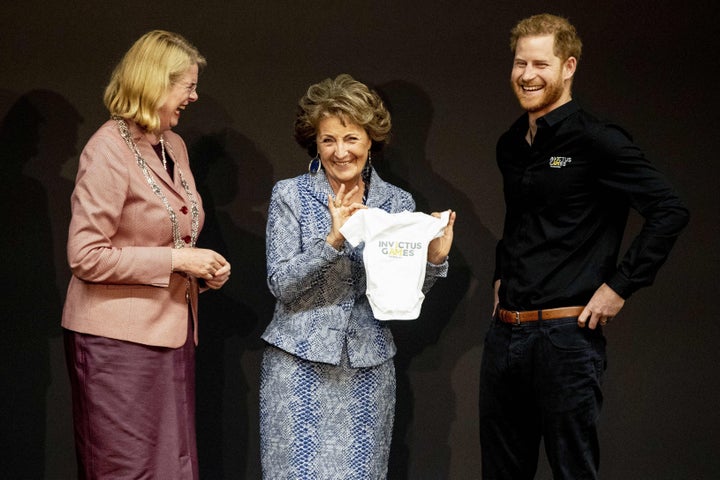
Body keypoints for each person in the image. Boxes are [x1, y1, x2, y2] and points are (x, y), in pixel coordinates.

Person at [480, 13, 689, 480]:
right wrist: (501, 276)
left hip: (566, 339)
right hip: (505, 336)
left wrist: (620, 286)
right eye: (519, 64)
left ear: (568, 66)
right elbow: (520, 223)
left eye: (540, 64)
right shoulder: (511, 143)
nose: (527, 75)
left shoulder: (597, 140)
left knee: (572, 472)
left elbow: (669, 210)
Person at [260, 73, 456, 478]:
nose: (340, 151)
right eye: (328, 139)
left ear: (371, 140)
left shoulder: (397, 202)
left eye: (351, 138)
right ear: (314, 142)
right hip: (297, 368)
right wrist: (333, 240)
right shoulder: (290, 195)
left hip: (368, 370)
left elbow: (402, 291)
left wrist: (434, 259)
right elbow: (281, 284)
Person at [62, 30, 231, 479]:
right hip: (117, 345)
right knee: (128, 469)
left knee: (172, 467)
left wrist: (202, 268)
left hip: (171, 333)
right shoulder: (107, 150)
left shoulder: (172, 145)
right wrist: (177, 262)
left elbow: (176, 229)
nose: (194, 97)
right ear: (156, 82)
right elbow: (86, 255)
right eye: (188, 86)